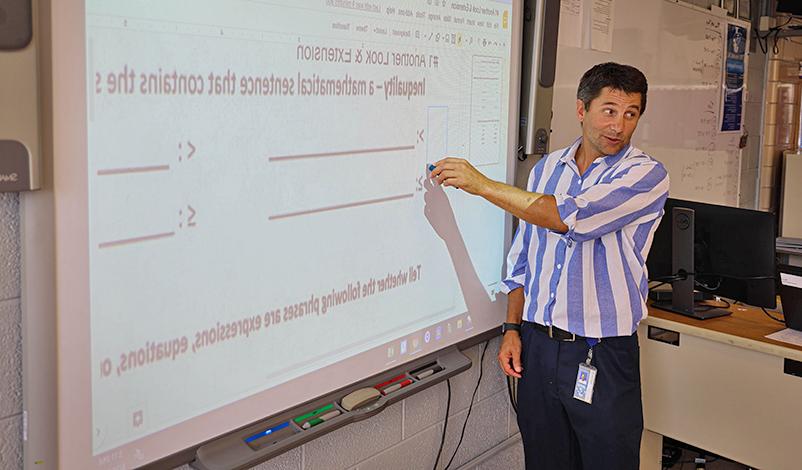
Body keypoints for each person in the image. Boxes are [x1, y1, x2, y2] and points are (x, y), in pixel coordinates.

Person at [429, 62, 669, 469]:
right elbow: (524, 256)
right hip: (539, 346)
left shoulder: (645, 174)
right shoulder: (547, 169)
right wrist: (511, 328)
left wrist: (480, 184)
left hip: (602, 353)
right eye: (609, 110)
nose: (619, 126)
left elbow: (566, 217)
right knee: (544, 459)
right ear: (582, 109)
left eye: (631, 114)